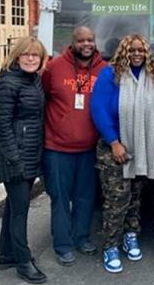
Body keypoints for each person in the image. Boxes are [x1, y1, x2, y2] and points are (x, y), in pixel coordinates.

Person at [90, 34, 154, 274]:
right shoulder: (111, 75)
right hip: (115, 149)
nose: (137, 54)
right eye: (132, 50)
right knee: (116, 201)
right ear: (124, 52)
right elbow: (98, 109)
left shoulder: (150, 77)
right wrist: (114, 141)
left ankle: (131, 235)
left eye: (141, 50)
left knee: (135, 198)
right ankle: (110, 246)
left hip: (140, 147)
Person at [42, 26, 107, 266]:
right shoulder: (54, 67)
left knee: (85, 197)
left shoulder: (104, 70)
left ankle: (81, 237)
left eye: (90, 39)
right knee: (59, 198)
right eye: (81, 40)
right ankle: (62, 244)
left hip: (89, 149)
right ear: (73, 42)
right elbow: (44, 99)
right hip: (58, 148)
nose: (86, 44)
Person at [0, 36, 48, 284]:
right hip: (13, 155)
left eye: (35, 55)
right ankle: (23, 261)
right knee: (20, 210)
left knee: (13, 206)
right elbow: (2, 127)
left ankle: (6, 254)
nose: (30, 58)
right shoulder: (8, 84)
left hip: (29, 152)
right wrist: (14, 160)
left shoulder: (34, 80)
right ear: (16, 56)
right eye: (25, 54)